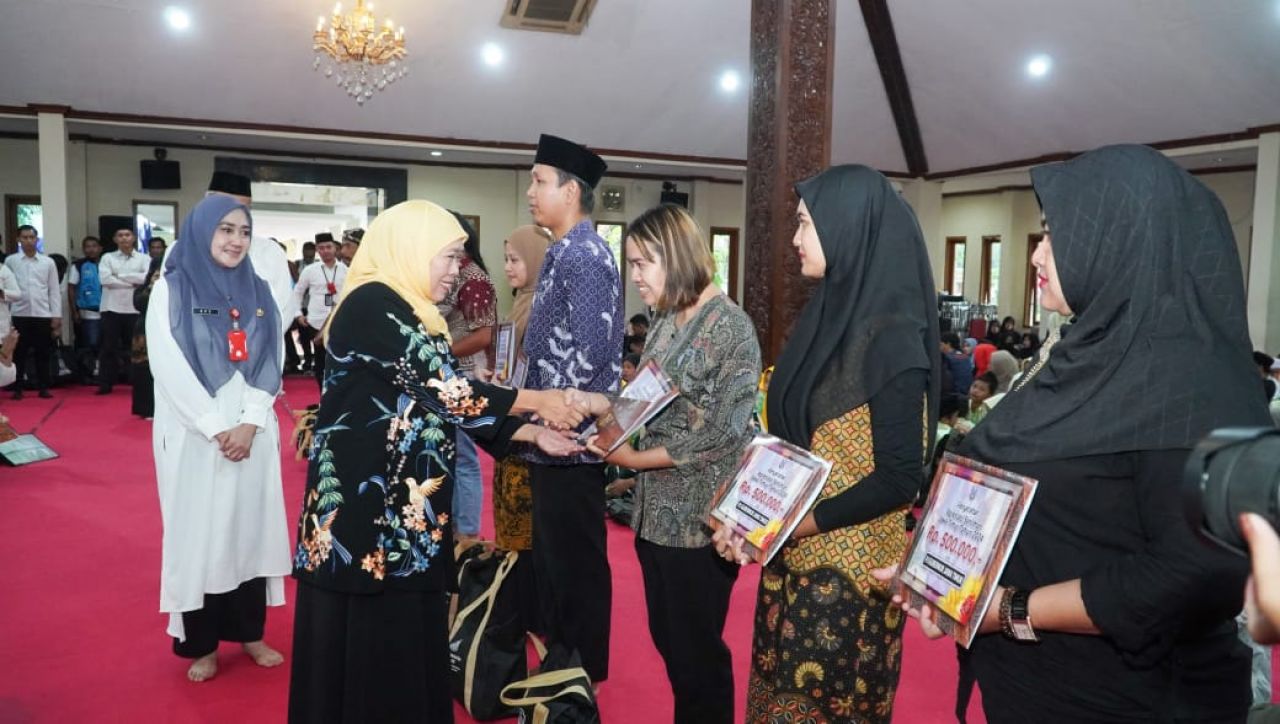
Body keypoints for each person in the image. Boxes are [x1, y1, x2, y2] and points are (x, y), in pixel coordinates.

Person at [882, 144, 1271, 722]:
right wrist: (941, 571)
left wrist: (1010, 608)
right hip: (1034, 686)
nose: (1037, 254)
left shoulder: (1194, 383)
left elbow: (1196, 572)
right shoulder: (1078, 354)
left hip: (1132, 700)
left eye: (1052, 235)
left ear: (1121, 239)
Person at [286, 200, 589, 722]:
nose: (457, 271)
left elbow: (444, 405)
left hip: (405, 516)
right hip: (362, 519)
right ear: (412, 249)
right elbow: (443, 388)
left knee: (402, 647)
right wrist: (539, 402)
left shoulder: (413, 310)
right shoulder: (371, 302)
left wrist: (532, 437)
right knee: (365, 650)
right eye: (448, 257)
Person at [714, 165, 940, 723]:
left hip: (850, 589)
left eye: (805, 225)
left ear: (846, 228)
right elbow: (785, 443)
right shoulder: (824, 320)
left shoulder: (892, 340)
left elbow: (898, 478)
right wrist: (743, 518)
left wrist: (788, 526)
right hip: (790, 569)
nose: (794, 240)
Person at [580, 204, 761, 724]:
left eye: (643, 263)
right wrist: (604, 414)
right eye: (631, 263)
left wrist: (632, 457)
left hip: (701, 522)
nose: (634, 276)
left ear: (677, 257)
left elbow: (723, 433)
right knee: (672, 644)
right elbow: (647, 393)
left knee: (697, 655)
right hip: (655, 512)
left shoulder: (730, 326)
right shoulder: (665, 316)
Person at [146, 194, 291, 682]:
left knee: (248, 529)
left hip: (252, 432)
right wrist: (216, 427)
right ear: (203, 230)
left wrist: (250, 421)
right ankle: (202, 644)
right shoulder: (172, 290)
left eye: (244, 231)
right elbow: (168, 366)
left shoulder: (260, 289)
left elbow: (273, 355)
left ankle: (249, 632)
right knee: (202, 533)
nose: (236, 240)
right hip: (197, 438)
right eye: (226, 229)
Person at [521, 133, 623, 684]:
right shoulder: (563, 252)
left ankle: (578, 680)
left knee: (576, 569)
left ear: (571, 190)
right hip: (550, 436)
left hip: (572, 442)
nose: (531, 191)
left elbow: (591, 354)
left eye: (540, 181)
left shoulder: (584, 256)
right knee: (557, 568)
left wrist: (557, 416)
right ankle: (563, 669)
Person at [488, 223, 552, 630]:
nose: (508, 267)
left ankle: (529, 611)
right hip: (513, 428)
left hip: (532, 435)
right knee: (513, 528)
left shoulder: (542, 310)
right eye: (507, 259)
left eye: (515, 259)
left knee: (528, 533)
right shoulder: (520, 305)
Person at [438, 212, 497, 548]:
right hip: (449, 372)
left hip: (466, 371)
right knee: (452, 454)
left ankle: (468, 534)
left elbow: (484, 335)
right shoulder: (452, 272)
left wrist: (442, 353)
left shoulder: (472, 277)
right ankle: (456, 527)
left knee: (463, 457)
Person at [4, 225, 61, 399]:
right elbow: (7, 289)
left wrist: (56, 315)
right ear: (18, 240)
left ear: (37, 239)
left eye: (32, 237)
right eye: (25, 237)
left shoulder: (47, 262)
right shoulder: (11, 261)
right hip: (19, 313)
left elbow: (53, 290)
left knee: (42, 352)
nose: (29, 241)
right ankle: (17, 387)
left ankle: (43, 387)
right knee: (19, 353)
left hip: (42, 313)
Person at [96, 225, 150, 395]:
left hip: (134, 309)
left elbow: (145, 279)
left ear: (133, 238)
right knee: (108, 348)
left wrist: (119, 276)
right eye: (120, 235)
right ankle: (106, 383)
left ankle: (136, 382)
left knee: (135, 348)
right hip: (111, 308)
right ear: (115, 239)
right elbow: (105, 280)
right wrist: (131, 282)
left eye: (127, 235)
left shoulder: (144, 258)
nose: (124, 238)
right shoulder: (107, 258)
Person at [290, 233, 347, 389]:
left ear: (335, 248)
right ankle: (323, 396)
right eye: (321, 248)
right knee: (320, 363)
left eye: (328, 247)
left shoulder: (345, 270)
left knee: (339, 361)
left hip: (339, 322)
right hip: (315, 323)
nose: (325, 251)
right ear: (317, 250)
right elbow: (297, 293)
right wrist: (298, 314)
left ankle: (336, 395)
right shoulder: (310, 270)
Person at [131, 256, 164, 418]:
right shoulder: (144, 286)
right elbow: (139, 304)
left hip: (165, 331)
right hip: (143, 333)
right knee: (143, 370)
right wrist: (152, 285)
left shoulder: (175, 284)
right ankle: (145, 409)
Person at [67, 236, 104, 359]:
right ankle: (89, 371)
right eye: (88, 246)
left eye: (94, 246)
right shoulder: (78, 265)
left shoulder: (107, 264)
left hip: (109, 311)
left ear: (100, 248)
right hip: (88, 312)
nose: (91, 249)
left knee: (106, 344)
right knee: (90, 343)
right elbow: (71, 288)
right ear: (83, 249)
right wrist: (74, 311)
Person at [940, 331, 973, 396]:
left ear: (948, 344)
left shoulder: (947, 358)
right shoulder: (965, 356)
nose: (939, 347)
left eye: (941, 344)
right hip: (966, 392)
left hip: (953, 394)